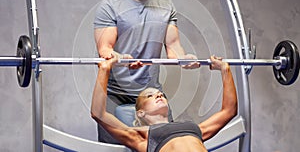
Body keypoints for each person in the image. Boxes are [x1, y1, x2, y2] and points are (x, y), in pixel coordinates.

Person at [93, 0, 200, 143]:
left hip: (151, 92)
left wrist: (184, 59)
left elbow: (174, 47)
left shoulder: (166, 6)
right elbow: (105, 49)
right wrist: (120, 58)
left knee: (167, 145)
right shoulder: (110, 6)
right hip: (115, 93)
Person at [91, 54, 238, 152]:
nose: (159, 95)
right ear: (140, 112)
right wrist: (104, 69)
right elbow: (98, 114)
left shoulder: (195, 128)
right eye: (150, 95)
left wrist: (225, 69)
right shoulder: (143, 136)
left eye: (161, 94)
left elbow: (229, 111)